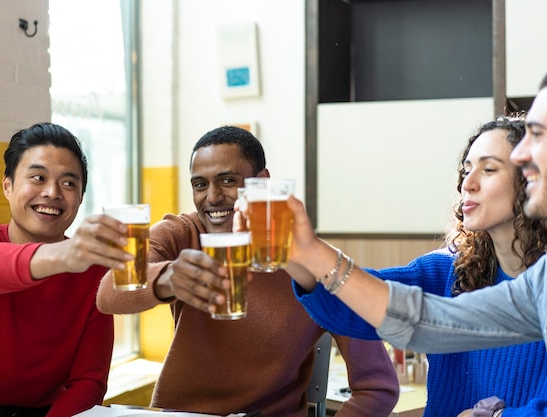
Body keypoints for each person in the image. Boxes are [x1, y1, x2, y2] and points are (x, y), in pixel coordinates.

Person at [232, 73, 547, 416]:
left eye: (488, 170)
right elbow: (375, 308)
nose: (467, 184)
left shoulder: (536, 286)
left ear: (529, 175)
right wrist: (293, 251)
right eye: (466, 168)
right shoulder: (450, 269)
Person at [96, 126, 400, 417]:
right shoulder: (181, 234)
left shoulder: (315, 265)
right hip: (178, 414)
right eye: (200, 185)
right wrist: (168, 278)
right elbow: (109, 294)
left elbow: (378, 387)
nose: (212, 197)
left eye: (227, 181)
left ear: (262, 183)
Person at [0, 123, 131, 417]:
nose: (52, 192)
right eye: (37, 177)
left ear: (81, 197)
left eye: (69, 183)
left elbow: (88, 382)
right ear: (7, 186)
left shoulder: (92, 270)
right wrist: (61, 255)